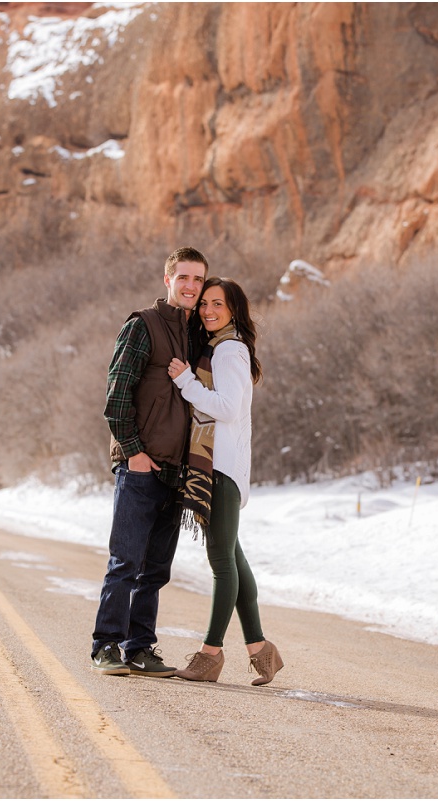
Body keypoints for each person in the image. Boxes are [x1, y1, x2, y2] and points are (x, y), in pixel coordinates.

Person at [91, 247, 209, 677]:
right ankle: (105, 645)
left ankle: (139, 648)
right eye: (184, 277)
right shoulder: (144, 325)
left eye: (198, 279)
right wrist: (134, 453)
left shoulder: (197, 335)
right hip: (140, 467)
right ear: (168, 280)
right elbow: (116, 396)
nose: (191, 286)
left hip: (177, 474)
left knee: (156, 570)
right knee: (125, 562)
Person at [166, 277, 284, 685]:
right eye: (204, 304)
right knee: (232, 557)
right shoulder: (223, 348)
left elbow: (228, 409)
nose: (208, 310)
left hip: (220, 467)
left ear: (234, 309)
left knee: (221, 562)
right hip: (221, 465)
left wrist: (185, 382)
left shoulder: (229, 350)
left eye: (218, 303)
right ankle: (260, 649)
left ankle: (210, 654)